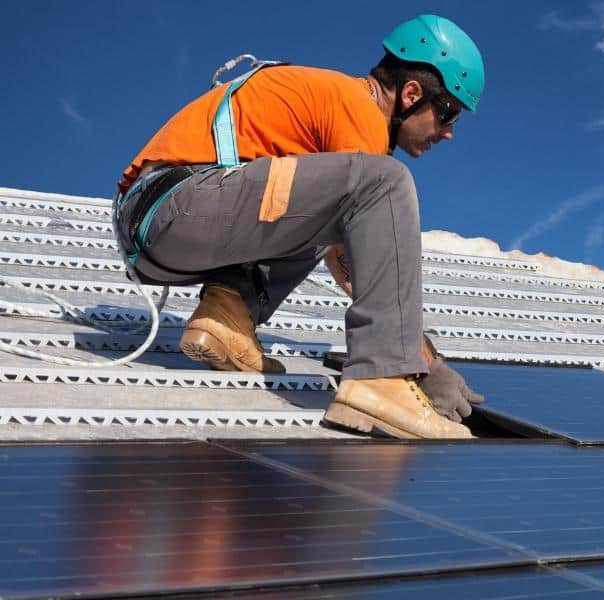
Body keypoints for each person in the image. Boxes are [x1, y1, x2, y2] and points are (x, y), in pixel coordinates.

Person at [115, 14, 485, 439]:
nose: (449, 132)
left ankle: (227, 317)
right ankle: (381, 381)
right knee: (387, 182)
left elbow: (339, 247)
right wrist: (420, 363)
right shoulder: (358, 110)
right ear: (411, 94)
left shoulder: (334, 111)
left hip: (165, 221)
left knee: (334, 214)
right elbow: (364, 259)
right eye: (448, 113)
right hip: (174, 207)